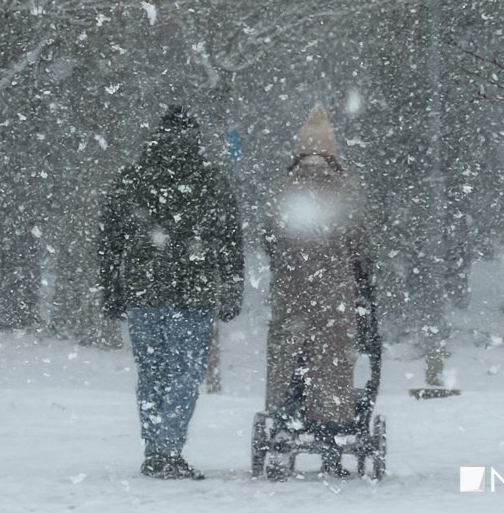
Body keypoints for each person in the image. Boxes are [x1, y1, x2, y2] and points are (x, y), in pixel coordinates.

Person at [98, 105, 244, 480]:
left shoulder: (132, 179)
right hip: (191, 293)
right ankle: (169, 449)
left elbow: (110, 241)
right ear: (194, 139)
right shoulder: (210, 181)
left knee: (151, 374)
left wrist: (112, 290)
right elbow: (230, 241)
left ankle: (154, 449)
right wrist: (230, 289)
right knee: (184, 374)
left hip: (143, 292)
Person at [262, 103, 376, 478]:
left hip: (291, 292)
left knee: (290, 359)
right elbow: (360, 245)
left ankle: (284, 422)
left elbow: (270, 238)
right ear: (331, 152)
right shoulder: (344, 190)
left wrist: (289, 267)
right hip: (334, 292)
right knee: (330, 364)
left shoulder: (284, 188)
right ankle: (330, 443)